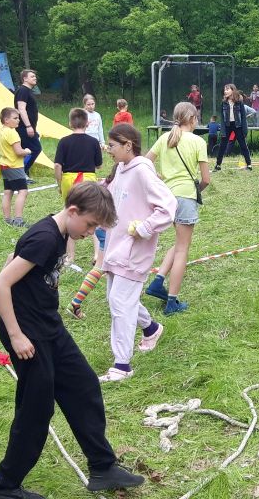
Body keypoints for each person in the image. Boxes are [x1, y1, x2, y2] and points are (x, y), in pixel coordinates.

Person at [0, 182, 146, 496]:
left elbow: (15, 256)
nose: (91, 232)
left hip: (49, 326)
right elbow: (1, 282)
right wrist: (14, 333)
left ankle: (102, 467)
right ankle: (4, 485)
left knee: (84, 385)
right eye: (91, 224)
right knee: (36, 408)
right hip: (27, 332)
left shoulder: (62, 230)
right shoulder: (45, 236)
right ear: (72, 211)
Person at [95, 123, 174, 381]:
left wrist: (144, 228)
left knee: (120, 302)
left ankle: (122, 365)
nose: (109, 150)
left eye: (113, 145)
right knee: (117, 299)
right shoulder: (121, 168)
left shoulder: (142, 171)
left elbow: (168, 206)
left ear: (128, 145)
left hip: (134, 251)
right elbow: (114, 196)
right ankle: (151, 328)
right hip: (115, 247)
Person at [144, 102, 211, 315]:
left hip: (167, 197)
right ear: (192, 118)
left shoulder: (164, 138)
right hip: (185, 197)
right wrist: (196, 190)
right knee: (183, 248)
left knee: (179, 242)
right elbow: (206, 180)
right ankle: (172, 301)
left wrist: (159, 182)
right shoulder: (198, 141)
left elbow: (145, 164)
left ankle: (158, 280)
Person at [54, 108, 104, 203]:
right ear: (87, 123)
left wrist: (59, 184)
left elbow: (57, 165)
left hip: (68, 181)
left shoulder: (63, 141)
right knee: (88, 209)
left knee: (70, 209)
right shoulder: (94, 142)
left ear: (70, 124)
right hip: (88, 181)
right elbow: (99, 165)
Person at [0, 107, 31, 226]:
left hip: (4, 165)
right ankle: (18, 220)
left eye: (18, 118)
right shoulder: (12, 133)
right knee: (23, 191)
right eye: (15, 118)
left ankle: (7, 219)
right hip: (14, 165)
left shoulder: (1, 132)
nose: (18, 120)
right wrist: (27, 151)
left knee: (8, 191)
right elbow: (18, 152)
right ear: (6, 120)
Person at [214, 84, 253, 171]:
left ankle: (249, 165)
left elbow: (243, 116)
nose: (225, 91)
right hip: (227, 125)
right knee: (222, 145)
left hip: (238, 125)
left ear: (233, 90)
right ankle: (218, 165)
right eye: (224, 90)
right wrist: (223, 131)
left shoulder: (239, 102)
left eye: (227, 89)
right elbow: (222, 118)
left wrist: (244, 130)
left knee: (243, 145)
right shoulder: (224, 103)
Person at [14, 69, 42, 176]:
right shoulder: (23, 90)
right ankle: (21, 172)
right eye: (32, 76)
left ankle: (23, 174)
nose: (35, 78)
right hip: (24, 127)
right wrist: (28, 126)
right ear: (25, 79)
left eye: (35, 76)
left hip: (28, 127)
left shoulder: (27, 91)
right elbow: (21, 109)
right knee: (36, 148)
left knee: (26, 150)